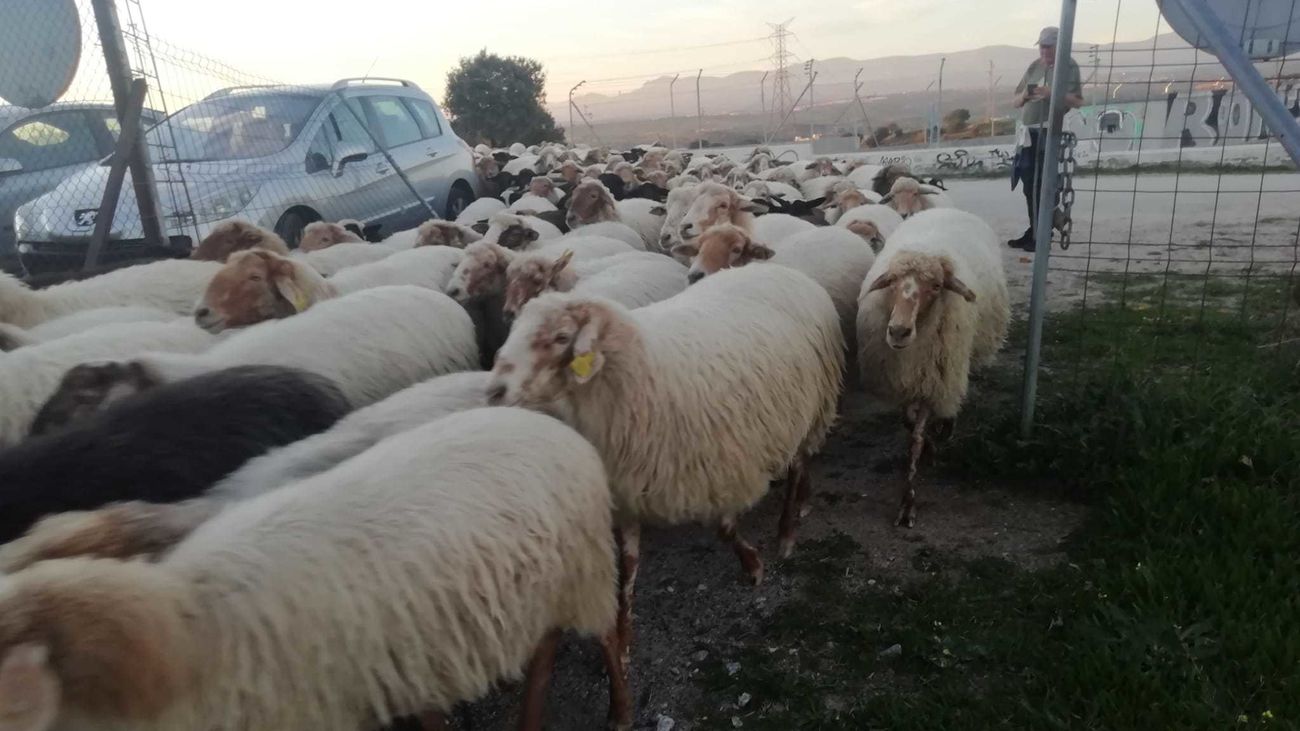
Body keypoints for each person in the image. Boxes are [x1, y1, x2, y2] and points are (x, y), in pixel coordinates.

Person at [1008, 26, 1084, 252]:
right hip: (1028, 133)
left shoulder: (1068, 67)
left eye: (1048, 47)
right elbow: (1015, 100)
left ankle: (1043, 234)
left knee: (1041, 184)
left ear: (1058, 47)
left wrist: (1052, 94)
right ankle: (1036, 229)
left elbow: (1077, 101)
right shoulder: (1035, 66)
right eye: (1042, 46)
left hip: (1048, 132)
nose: (1044, 51)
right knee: (1028, 185)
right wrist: (1025, 96)